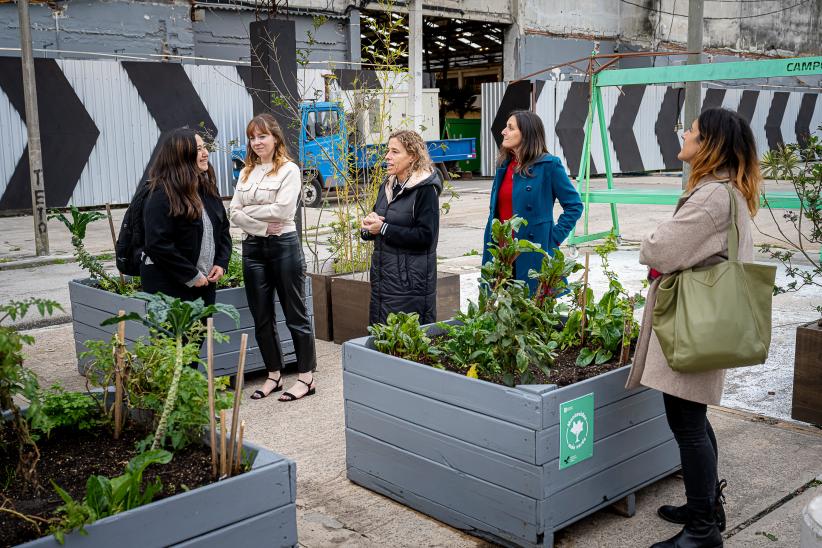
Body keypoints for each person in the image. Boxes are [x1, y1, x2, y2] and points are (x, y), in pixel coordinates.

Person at [627, 107, 762, 548]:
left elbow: (662, 250)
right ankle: (705, 506)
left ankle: (702, 529)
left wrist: (649, 240)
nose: (684, 134)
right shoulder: (729, 192)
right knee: (694, 418)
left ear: (709, 146)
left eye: (693, 131)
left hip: (691, 322)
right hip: (705, 318)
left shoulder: (710, 197)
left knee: (686, 421)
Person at [230, 113, 317, 402]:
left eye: (262, 136)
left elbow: (283, 211)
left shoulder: (289, 170)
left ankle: (306, 377)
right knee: (262, 318)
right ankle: (274, 376)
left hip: (283, 248)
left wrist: (249, 213)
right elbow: (233, 213)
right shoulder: (246, 172)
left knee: (295, 313)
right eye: (252, 137)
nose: (256, 142)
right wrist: (261, 224)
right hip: (253, 249)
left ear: (275, 137)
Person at [481, 110, 583, 293]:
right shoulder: (504, 166)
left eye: (510, 128)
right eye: (505, 127)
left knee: (531, 311)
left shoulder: (549, 165)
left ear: (526, 133)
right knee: (498, 310)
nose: (503, 131)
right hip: (501, 254)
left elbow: (574, 205)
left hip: (531, 252)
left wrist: (553, 238)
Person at [141, 128, 231, 308]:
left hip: (204, 282)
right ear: (180, 155)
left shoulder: (206, 188)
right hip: (168, 284)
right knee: (175, 336)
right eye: (198, 149)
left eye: (204, 148)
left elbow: (223, 230)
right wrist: (190, 275)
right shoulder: (161, 194)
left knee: (200, 335)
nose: (205, 153)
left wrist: (221, 263)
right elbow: (157, 244)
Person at [361, 130, 442, 325]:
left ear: (412, 156)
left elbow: (426, 237)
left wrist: (383, 228)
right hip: (383, 283)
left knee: (407, 346)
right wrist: (367, 226)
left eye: (395, 152)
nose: (387, 156)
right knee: (382, 343)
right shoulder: (387, 185)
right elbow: (378, 226)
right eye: (388, 150)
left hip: (410, 287)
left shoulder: (425, 190)